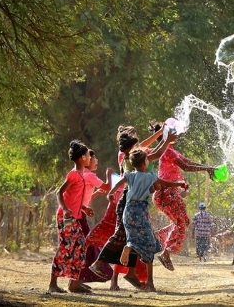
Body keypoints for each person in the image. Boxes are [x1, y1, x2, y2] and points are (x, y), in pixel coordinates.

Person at [88, 124, 175, 290]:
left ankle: (130, 273)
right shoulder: (131, 159)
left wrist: (161, 136)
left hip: (128, 202)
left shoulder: (130, 157)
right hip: (129, 203)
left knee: (130, 238)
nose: (140, 146)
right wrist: (165, 139)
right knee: (122, 236)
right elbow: (156, 153)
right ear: (131, 147)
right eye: (137, 145)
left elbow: (152, 150)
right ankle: (99, 263)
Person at [109, 147, 187, 291]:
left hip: (129, 210)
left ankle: (130, 245)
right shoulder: (151, 176)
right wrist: (180, 184)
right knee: (149, 244)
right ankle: (149, 282)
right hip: (141, 210)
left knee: (134, 237)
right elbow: (165, 184)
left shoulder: (129, 175)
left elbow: (119, 183)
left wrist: (111, 193)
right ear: (145, 162)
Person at [153, 135, 217, 271]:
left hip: (171, 192)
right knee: (181, 223)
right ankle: (166, 251)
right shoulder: (167, 151)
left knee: (184, 222)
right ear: (167, 135)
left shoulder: (171, 150)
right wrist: (207, 168)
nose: (177, 134)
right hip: (166, 192)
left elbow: (187, 162)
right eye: (174, 132)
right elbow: (186, 167)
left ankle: (159, 236)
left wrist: (207, 167)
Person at [48, 140, 92, 294]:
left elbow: (74, 198)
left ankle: (74, 283)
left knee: (80, 245)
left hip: (74, 217)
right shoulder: (73, 174)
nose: (90, 158)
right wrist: (66, 209)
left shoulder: (81, 175)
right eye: (88, 155)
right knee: (65, 246)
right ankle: (53, 284)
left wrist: (84, 208)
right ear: (82, 158)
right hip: (65, 218)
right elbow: (59, 192)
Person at [78, 149, 114, 284]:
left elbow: (83, 199)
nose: (96, 160)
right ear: (87, 160)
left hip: (80, 213)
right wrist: (109, 174)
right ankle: (80, 277)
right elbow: (108, 186)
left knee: (87, 244)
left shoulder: (83, 174)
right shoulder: (89, 175)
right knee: (88, 244)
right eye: (94, 158)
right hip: (78, 215)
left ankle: (80, 277)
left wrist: (97, 194)